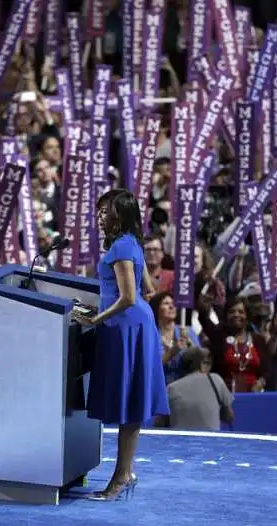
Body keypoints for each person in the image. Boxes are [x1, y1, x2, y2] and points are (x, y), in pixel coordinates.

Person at [73, 189, 169, 501]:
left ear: (120, 214)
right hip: (131, 327)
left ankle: (122, 476)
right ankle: (124, 472)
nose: (100, 217)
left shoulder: (122, 246)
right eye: (98, 211)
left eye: (105, 212)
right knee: (130, 403)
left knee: (129, 404)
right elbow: (147, 289)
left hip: (125, 329)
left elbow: (128, 298)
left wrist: (96, 318)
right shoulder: (130, 244)